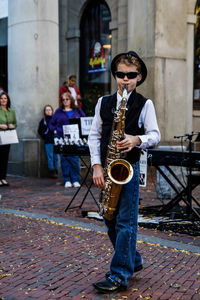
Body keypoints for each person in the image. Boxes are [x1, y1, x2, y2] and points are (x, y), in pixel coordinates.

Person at [88, 51, 161, 293]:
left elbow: (155, 135)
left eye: (131, 75)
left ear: (139, 77)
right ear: (115, 75)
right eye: (121, 75)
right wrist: (97, 165)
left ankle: (119, 274)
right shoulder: (104, 102)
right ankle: (134, 260)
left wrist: (136, 139)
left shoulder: (144, 104)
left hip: (128, 168)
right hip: (108, 169)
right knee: (108, 218)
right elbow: (95, 135)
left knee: (125, 223)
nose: (125, 80)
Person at [50, 92, 85, 188]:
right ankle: (67, 180)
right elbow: (51, 123)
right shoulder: (58, 111)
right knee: (64, 159)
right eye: (63, 100)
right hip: (62, 137)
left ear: (71, 100)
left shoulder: (77, 110)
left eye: (67, 99)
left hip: (74, 138)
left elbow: (84, 120)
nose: (65, 101)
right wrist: (54, 131)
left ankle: (75, 179)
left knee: (74, 159)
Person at [0, 92, 17, 186]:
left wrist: (12, 125)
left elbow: (15, 123)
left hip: (7, 137)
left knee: (5, 158)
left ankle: (3, 178)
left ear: (7, 100)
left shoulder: (11, 111)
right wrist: (0, 125)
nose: (3, 100)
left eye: (5, 98)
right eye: (1, 98)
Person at [38, 105, 58, 178]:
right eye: (47, 110)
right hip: (48, 141)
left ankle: (57, 170)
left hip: (56, 140)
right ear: (45, 112)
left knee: (56, 156)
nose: (48, 111)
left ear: (52, 111)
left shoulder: (55, 119)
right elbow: (40, 131)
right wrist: (45, 135)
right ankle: (52, 171)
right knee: (50, 156)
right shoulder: (43, 120)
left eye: (50, 110)